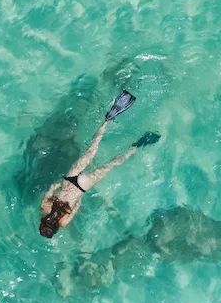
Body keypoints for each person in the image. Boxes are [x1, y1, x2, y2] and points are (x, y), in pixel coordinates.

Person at [39, 90, 160, 238]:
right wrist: (61, 185)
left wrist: (78, 196)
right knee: (92, 150)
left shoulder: (63, 222)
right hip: (69, 178)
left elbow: (77, 206)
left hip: (82, 186)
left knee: (111, 164)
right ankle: (107, 121)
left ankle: (134, 148)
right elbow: (53, 187)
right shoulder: (45, 206)